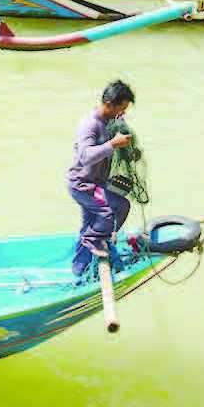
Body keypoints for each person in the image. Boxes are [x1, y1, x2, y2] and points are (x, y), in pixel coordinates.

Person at [67, 79, 135, 279]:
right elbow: (85, 156)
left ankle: (79, 268)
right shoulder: (89, 125)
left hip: (97, 183)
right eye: (121, 109)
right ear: (110, 104)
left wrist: (129, 152)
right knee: (109, 211)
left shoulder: (111, 122)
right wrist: (113, 144)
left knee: (106, 215)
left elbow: (114, 150)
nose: (123, 114)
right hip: (82, 185)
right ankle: (96, 239)